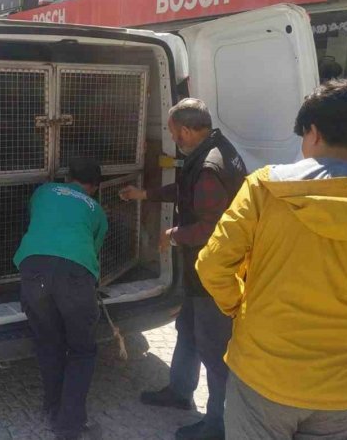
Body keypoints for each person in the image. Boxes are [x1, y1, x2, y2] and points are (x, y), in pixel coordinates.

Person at [197, 79, 347, 440]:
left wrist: (240, 305)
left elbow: (213, 265)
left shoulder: (265, 189)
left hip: (263, 374)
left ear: (312, 132)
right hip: (341, 390)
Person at [121, 98, 247, 440]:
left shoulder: (209, 165)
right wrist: (145, 194)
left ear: (189, 131)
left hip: (214, 275)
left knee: (216, 352)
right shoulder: (218, 147)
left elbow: (213, 226)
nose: (174, 139)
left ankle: (217, 425)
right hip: (200, 272)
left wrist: (174, 235)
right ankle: (179, 391)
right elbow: (186, 190)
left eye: (176, 134)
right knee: (187, 329)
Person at [14, 158, 109, 440]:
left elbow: (36, 217)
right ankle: (69, 427)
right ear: (94, 187)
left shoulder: (44, 191)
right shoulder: (97, 210)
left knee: (49, 343)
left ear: (67, 177)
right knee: (81, 351)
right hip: (74, 276)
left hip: (33, 269)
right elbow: (93, 249)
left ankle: (53, 407)